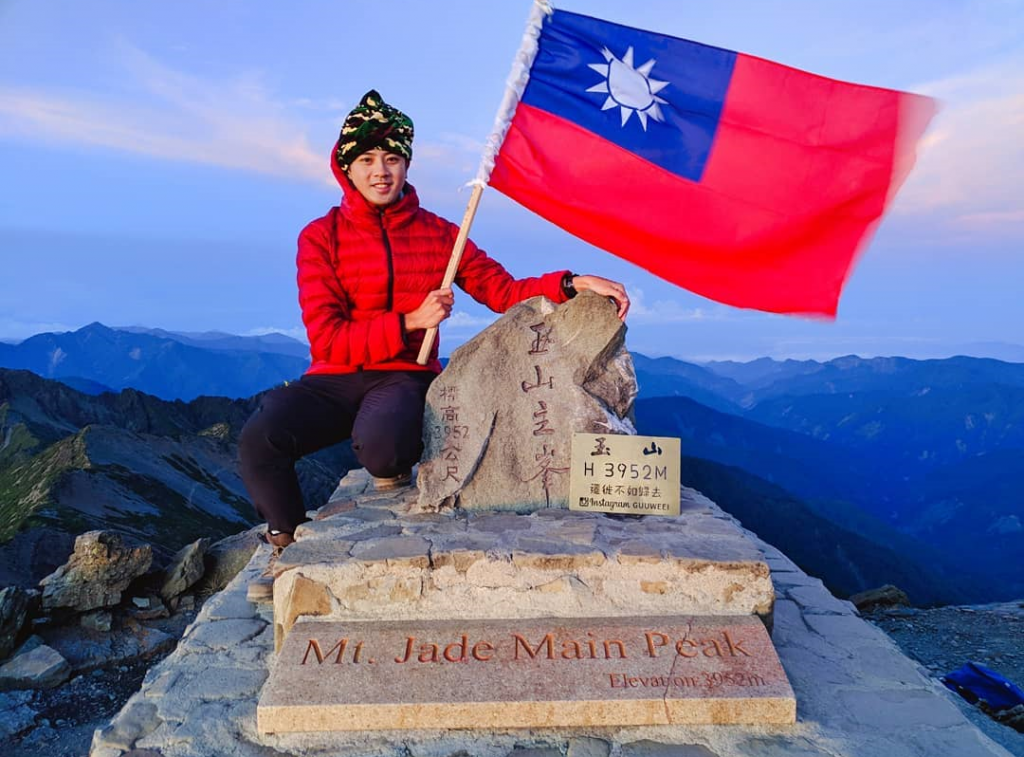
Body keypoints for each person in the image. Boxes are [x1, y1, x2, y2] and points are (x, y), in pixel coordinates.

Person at [238, 90, 629, 549]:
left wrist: (570, 283)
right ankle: (282, 539)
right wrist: (410, 319)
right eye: (366, 159)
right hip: (334, 376)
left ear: (406, 164)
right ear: (345, 167)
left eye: (391, 158)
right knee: (260, 438)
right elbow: (327, 338)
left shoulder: (440, 233)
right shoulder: (321, 237)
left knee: (383, 451)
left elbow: (500, 289)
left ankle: (391, 452)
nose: (379, 171)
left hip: (403, 375)